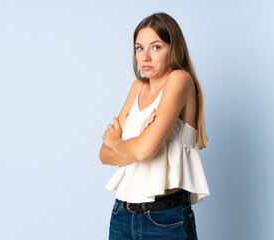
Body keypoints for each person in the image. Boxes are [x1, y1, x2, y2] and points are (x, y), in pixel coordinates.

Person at [99, 12, 210, 240]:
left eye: (156, 47)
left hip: (165, 219)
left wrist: (118, 142)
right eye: (139, 48)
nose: (145, 57)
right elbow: (104, 154)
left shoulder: (180, 79)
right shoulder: (137, 87)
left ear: (174, 48)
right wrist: (134, 144)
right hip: (122, 214)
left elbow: (143, 151)